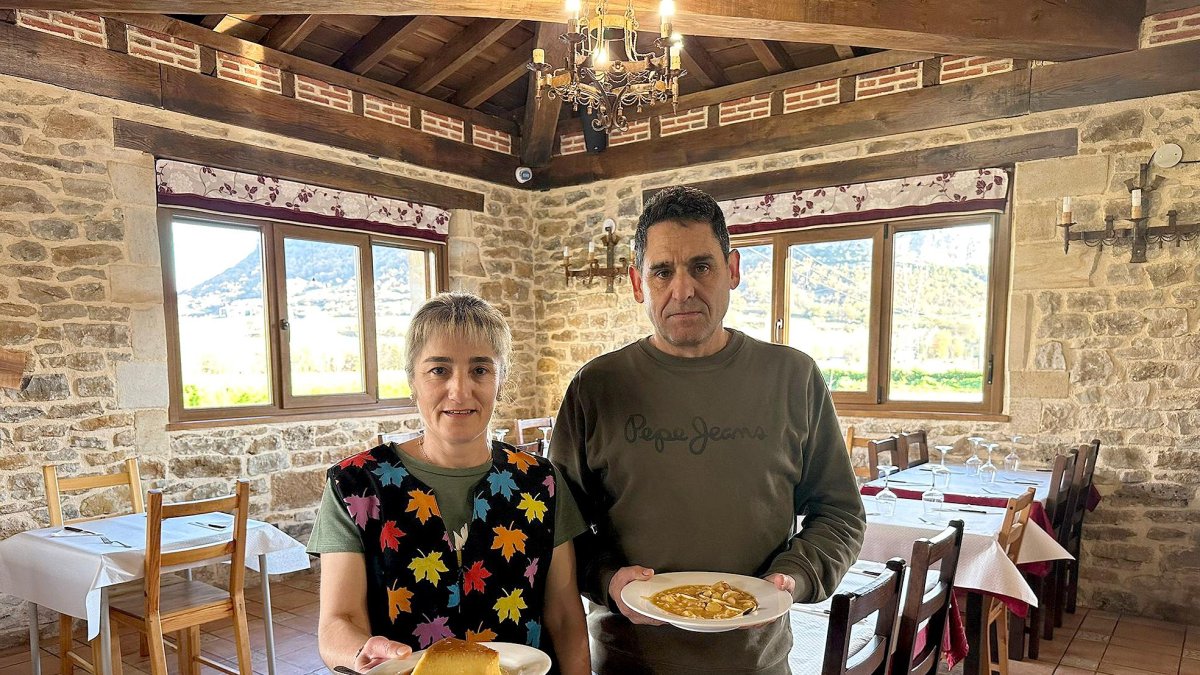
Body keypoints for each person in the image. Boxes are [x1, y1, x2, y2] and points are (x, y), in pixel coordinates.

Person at [549, 186, 866, 674]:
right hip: (626, 664)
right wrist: (609, 580)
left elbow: (839, 513)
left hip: (757, 664)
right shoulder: (595, 389)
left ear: (732, 270)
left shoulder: (793, 378)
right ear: (638, 283)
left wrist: (795, 575)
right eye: (662, 272)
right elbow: (561, 532)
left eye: (701, 267)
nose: (683, 290)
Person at [310, 292, 591, 674]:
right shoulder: (356, 486)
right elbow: (337, 622)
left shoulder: (541, 482)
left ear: (501, 379)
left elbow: (565, 618)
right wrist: (362, 649)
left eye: (480, 370)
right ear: (413, 379)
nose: (460, 390)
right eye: (439, 370)